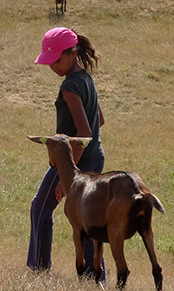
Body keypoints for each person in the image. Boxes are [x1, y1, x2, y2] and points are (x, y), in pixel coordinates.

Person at [27, 27, 106, 281]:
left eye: (57, 60)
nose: (53, 67)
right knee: (90, 220)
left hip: (71, 158)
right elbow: (99, 121)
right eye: (49, 62)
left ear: (73, 53)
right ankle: (97, 280)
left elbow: (83, 132)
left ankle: (38, 270)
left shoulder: (69, 87)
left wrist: (65, 176)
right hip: (95, 156)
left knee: (40, 208)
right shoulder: (86, 79)